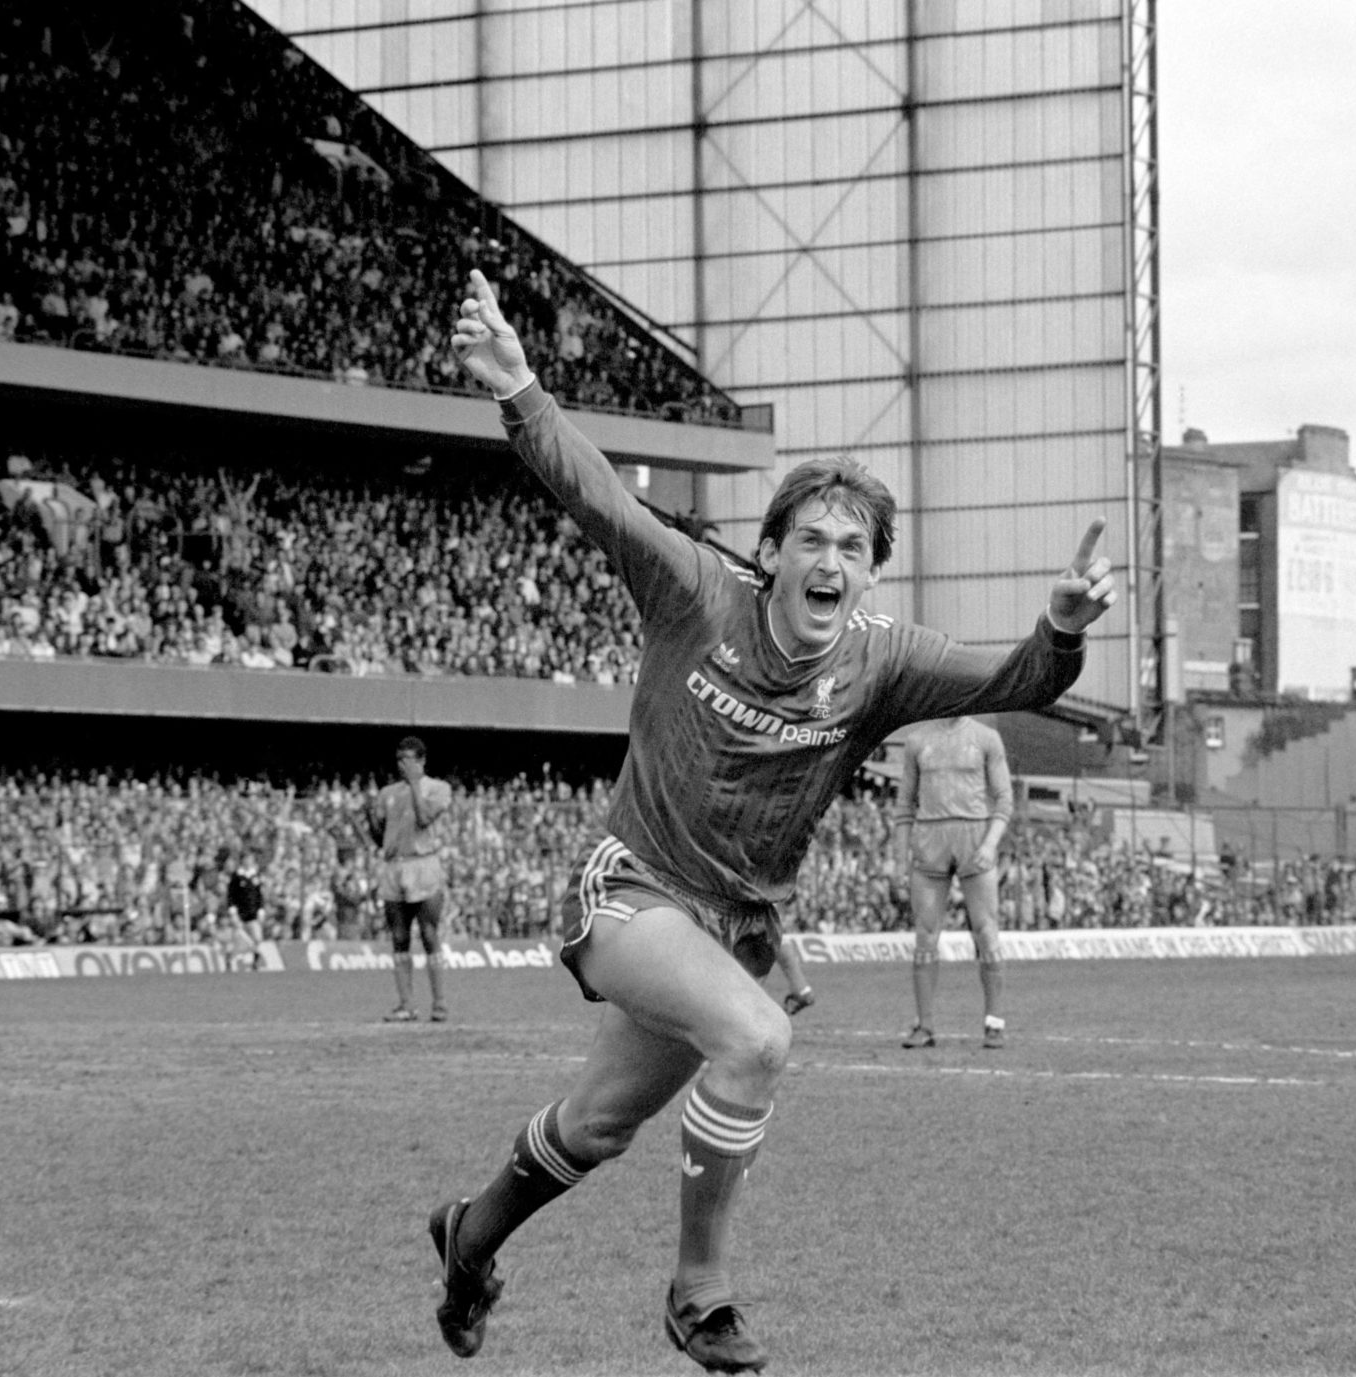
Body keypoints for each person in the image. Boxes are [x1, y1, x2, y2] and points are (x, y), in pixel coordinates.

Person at [427, 267, 1115, 1372]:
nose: (829, 561)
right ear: (772, 551)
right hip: (631, 892)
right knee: (755, 1038)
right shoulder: (696, 594)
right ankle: (699, 1293)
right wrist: (518, 389)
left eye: (852, 547)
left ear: (870, 573)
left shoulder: (882, 660)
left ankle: (469, 1236)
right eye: (811, 539)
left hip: (731, 924)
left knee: (596, 1126)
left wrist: (1062, 626)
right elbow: (596, 495)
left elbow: (1023, 678)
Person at [892, 715, 1014, 1048]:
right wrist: (899, 859)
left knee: (986, 931)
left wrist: (990, 844)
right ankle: (925, 1025)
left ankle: (994, 1023)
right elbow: (904, 804)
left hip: (974, 836)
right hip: (930, 840)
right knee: (925, 934)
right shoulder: (917, 741)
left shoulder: (986, 738)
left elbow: (1004, 799)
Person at [369, 736, 453, 1023]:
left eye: (408, 759)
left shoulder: (439, 789)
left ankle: (439, 1003)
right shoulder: (387, 793)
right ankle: (406, 1004)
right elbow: (380, 836)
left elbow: (425, 819)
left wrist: (416, 784)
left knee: (429, 934)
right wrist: (369, 822)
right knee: (399, 937)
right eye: (399, 760)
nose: (402, 765)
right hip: (394, 866)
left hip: (424, 864)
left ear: (421, 760)